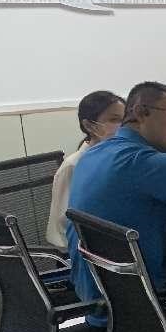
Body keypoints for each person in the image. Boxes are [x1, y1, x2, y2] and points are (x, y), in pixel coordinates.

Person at [66, 82, 166, 325]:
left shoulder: (93, 154)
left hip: (100, 306)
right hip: (150, 314)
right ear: (140, 112)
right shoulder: (141, 161)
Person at [46, 91, 125, 248]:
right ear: (89, 125)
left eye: (125, 120)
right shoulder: (73, 165)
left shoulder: (119, 160)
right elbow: (63, 224)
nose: (122, 126)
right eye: (114, 120)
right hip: (77, 251)